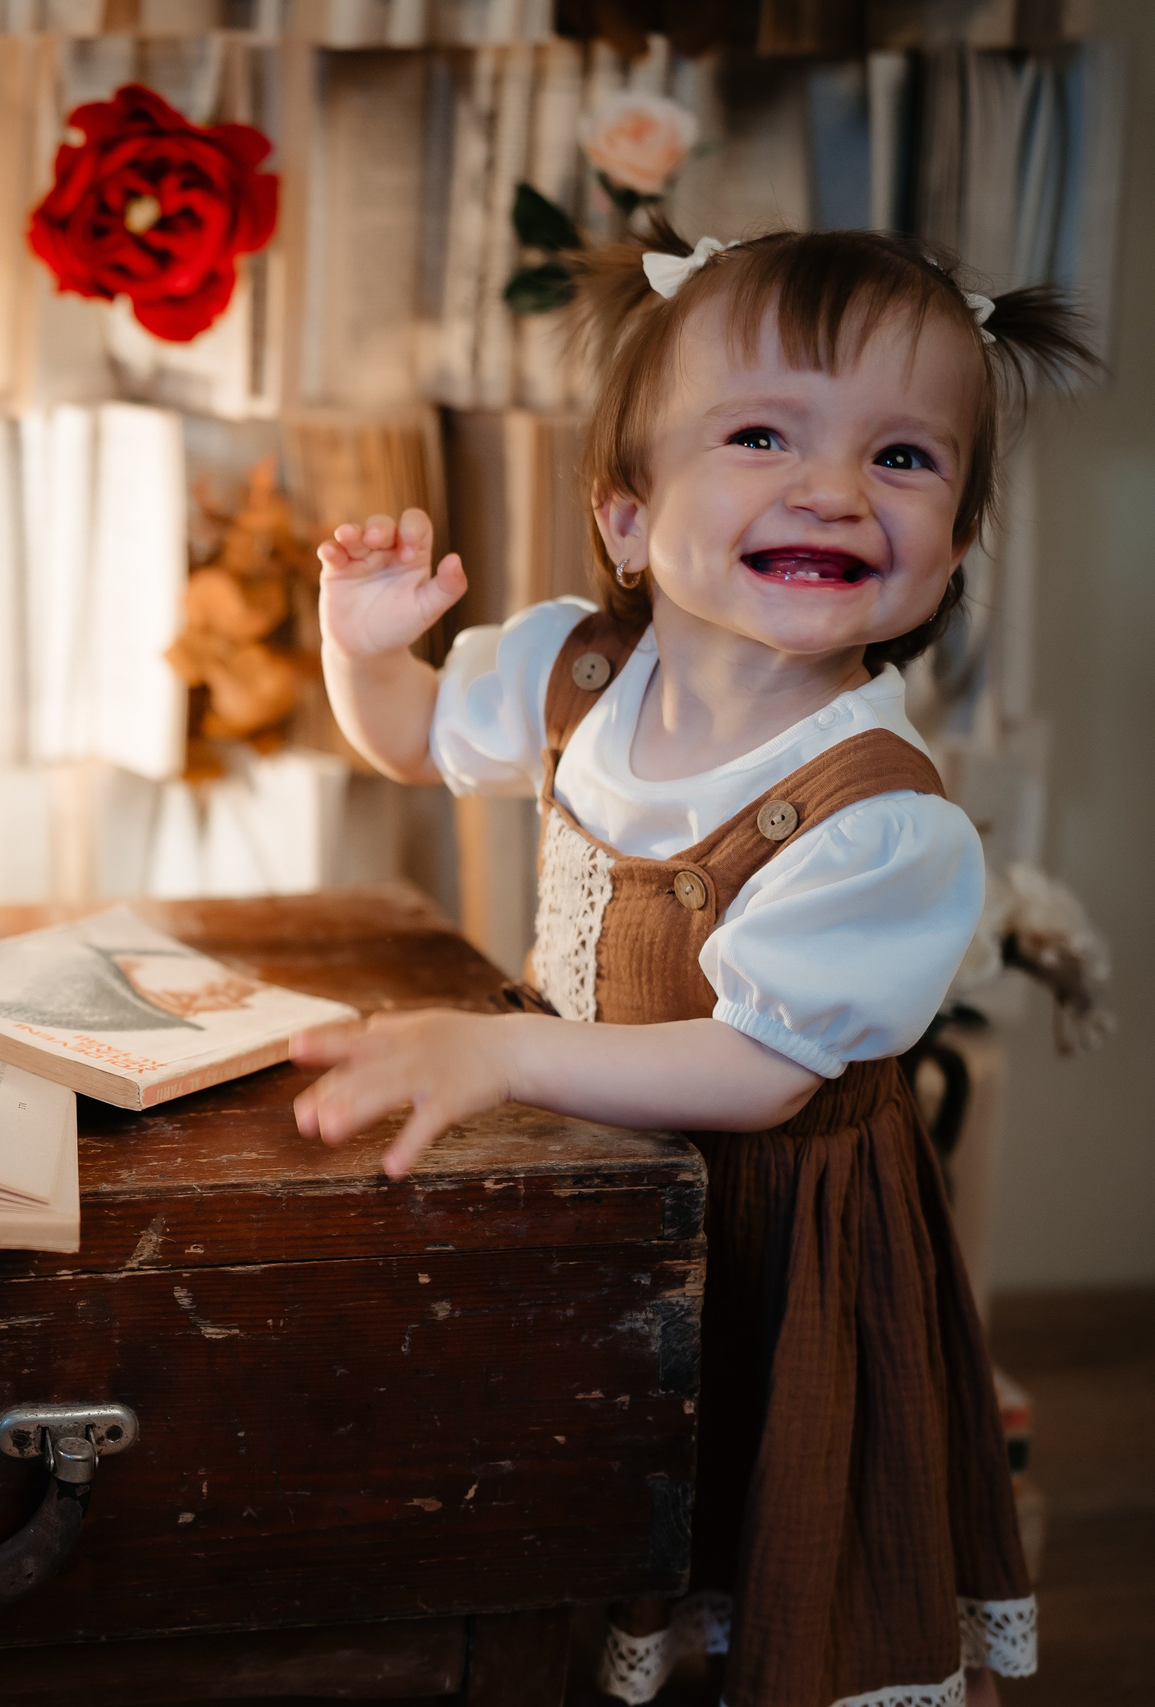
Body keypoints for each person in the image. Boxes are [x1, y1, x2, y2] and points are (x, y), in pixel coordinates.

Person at [289, 222, 1091, 1706]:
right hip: (599, 1186)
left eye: (906, 459)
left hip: (779, 1235)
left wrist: (500, 1051)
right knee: (600, 1512)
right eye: (764, 432)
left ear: (960, 544)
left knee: (772, 1534)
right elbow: (406, 739)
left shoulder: (884, 818)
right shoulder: (578, 670)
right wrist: (363, 649)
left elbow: (760, 1072)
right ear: (628, 515)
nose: (837, 489)